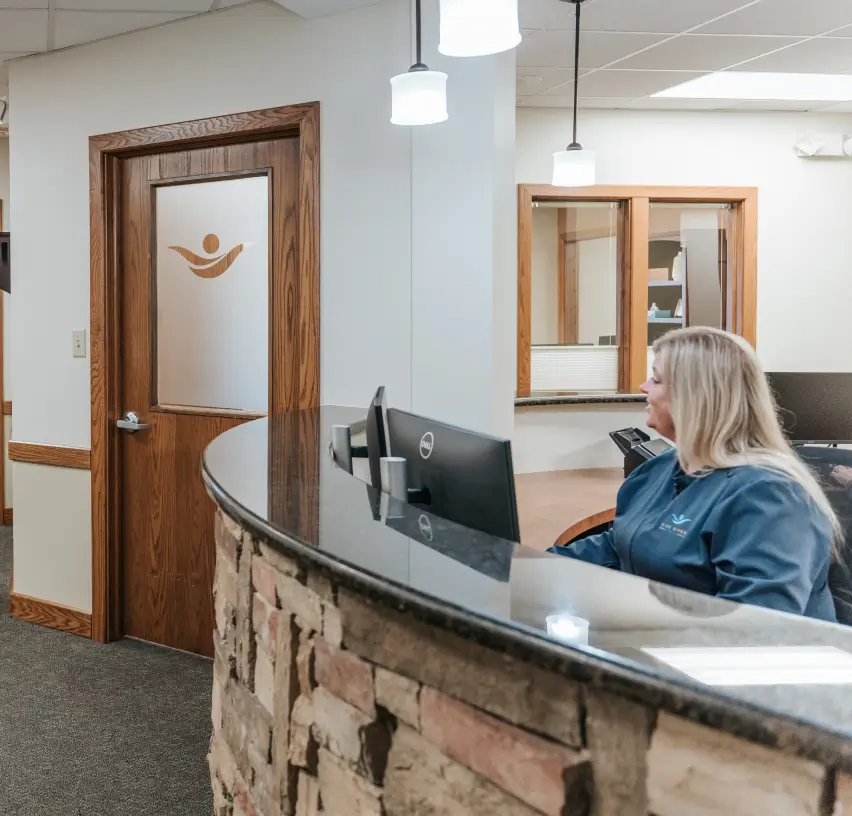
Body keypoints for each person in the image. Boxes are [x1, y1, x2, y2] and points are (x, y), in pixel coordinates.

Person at [549, 327, 840, 622]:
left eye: (656, 379)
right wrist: (524, 566)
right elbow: (616, 547)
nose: (643, 386)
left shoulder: (771, 497)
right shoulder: (658, 470)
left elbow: (756, 628)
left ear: (694, 396)